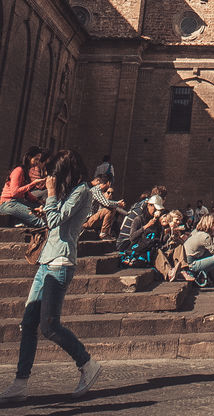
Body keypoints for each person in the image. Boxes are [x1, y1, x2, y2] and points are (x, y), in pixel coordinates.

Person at [0, 149, 102, 402]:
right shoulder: (69, 192)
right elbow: (53, 217)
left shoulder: (82, 191)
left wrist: (52, 195)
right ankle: (21, 382)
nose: (50, 177)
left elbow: (57, 220)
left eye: (54, 173)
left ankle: (87, 364)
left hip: (61, 263)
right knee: (28, 324)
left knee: (49, 326)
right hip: (46, 261)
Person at [0, 147, 47, 229]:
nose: (37, 162)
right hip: (9, 203)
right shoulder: (18, 170)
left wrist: (38, 201)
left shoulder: (25, 171)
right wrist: (33, 184)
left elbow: (25, 193)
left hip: (18, 202)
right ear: (29, 158)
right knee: (38, 219)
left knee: (42, 210)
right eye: (36, 159)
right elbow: (15, 192)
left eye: (38, 160)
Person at [117, 193, 164, 265]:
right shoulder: (139, 219)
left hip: (150, 247)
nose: (156, 211)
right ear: (149, 205)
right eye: (155, 208)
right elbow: (132, 237)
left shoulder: (156, 221)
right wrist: (147, 226)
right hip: (137, 248)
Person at [183, 214, 214, 285]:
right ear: (210, 224)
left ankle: (211, 279)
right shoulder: (205, 237)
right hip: (192, 264)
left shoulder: (195, 232)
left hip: (186, 261)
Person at [82, 174, 126, 240]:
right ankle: (104, 234)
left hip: (91, 219)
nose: (110, 194)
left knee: (112, 214)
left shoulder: (97, 191)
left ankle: (107, 234)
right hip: (86, 221)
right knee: (110, 210)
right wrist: (118, 203)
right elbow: (106, 203)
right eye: (108, 192)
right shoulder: (96, 191)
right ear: (109, 183)